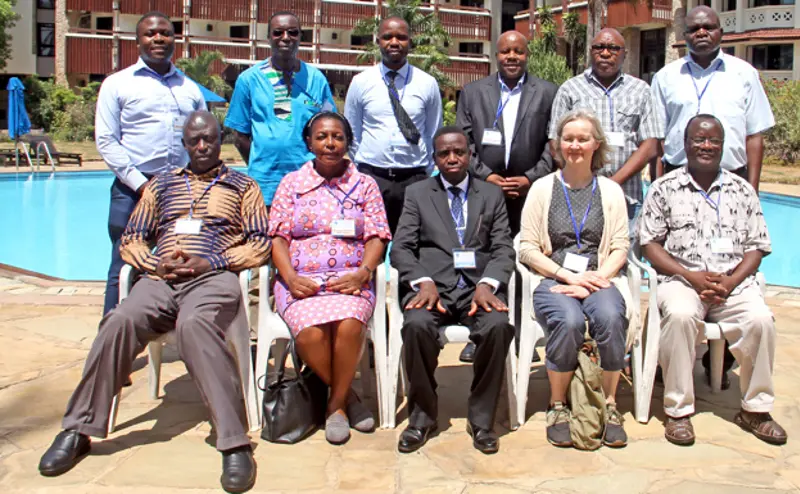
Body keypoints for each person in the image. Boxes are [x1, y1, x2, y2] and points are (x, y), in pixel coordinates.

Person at [38, 112, 270, 493]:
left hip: (213, 278)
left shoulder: (243, 186)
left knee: (194, 325)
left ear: (220, 140)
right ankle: (79, 429)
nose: (201, 146)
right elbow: (132, 238)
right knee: (119, 320)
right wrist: (153, 262)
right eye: (194, 140)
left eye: (208, 139)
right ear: (183, 143)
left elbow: (260, 243)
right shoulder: (160, 186)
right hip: (161, 279)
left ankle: (234, 441)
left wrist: (210, 261)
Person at [639, 114, 786, 447]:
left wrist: (732, 282)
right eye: (698, 139)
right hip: (682, 279)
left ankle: (755, 410)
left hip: (731, 285)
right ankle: (678, 411)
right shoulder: (665, 188)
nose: (706, 146)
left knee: (761, 319)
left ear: (723, 146)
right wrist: (690, 275)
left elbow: (757, 246)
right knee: (678, 315)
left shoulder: (742, 190)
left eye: (713, 141)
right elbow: (649, 244)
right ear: (685, 143)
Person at [650, 5, 774, 385]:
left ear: (721, 32)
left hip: (731, 179)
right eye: (694, 29)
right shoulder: (666, 77)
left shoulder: (744, 74)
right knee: (682, 274)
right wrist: (659, 185)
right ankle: (676, 361)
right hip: (676, 175)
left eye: (709, 27)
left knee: (729, 266)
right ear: (683, 36)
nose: (702, 33)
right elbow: (657, 138)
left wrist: (749, 189)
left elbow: (755, 136)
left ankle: (718, 364)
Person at [268, 112, 392, 445]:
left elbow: (378, 235)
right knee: (310, 334)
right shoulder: (291, 184)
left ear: (347, 142)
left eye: (337, 137)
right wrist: (290, 278)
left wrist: (363, 272)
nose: (330, 143)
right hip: (301, 281)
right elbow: (278, 237)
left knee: (350, 325)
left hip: (350, 279)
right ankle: (348, 395)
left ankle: (334, 407)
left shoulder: (364, 184)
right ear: (309, 142)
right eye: (322, 137)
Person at [390, 126, 515, 455]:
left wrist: (488, 284)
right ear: (434, 158)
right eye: (444, 153)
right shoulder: (418, 194)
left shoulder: (490, 195)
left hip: (478, 291)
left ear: (470, 155)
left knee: (499, 327)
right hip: (432, 289)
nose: (452, 158)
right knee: (415, 326)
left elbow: (503, 248)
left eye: (458, 151)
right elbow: (401, 248)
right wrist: (422, 280)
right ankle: (421, 417)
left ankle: (482, 419)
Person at [519, 109, 633, 449]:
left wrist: (597, 277)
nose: (575, 145)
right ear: (557, 145)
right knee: (568, 321)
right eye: (568, 138)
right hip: (554, 279)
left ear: (595, 144)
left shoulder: (611, 190)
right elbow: (526, 248)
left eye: (583, 138)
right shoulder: (542, 189)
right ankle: (558, 405)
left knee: (612, 318)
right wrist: (567, 275)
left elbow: (620, 246)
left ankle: (610, 405)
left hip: (598, 278)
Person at [455, 29, 557, 363]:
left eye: (518, 52)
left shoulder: (546, 93)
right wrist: (487, 176)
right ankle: (478, 332)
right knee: (481, 256)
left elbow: (550, 145)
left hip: (529, 193)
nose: (512, 57)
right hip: (484, 191)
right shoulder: (473, 93)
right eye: (505, 52)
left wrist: (530, 178)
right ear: (495, 56)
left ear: (527, 55)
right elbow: (464, 142)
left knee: (524, 259)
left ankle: (521, 331)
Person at [95, 10, 206, 316]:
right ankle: (112, 336)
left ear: (175, 40)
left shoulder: (190, 88)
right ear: (138, 41)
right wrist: (142, 185)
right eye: (150, 33)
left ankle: (175, 327)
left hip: (180, 189)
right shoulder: (117, 84)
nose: (158, 38)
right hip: (133, 189)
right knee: (124, 263)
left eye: (165, 33)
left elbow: (203, 138)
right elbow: (106, 140)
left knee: (183, 258)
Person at [549, 28, 662, 232]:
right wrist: (585, 180)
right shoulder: (569, 89)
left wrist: (613, 183)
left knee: (625, 257)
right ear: (591, 52)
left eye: (613, 48)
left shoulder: (641, 90)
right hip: (579, 193)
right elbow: (555, 142)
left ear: (624, 54)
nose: (606, 53)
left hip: (626, 195)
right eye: (599, 47)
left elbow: (651, 145)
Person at [225, 10, 336, 206]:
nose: (286, 38)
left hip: (309, 183)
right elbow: (239, 135)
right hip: (264, 185)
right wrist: (263, 161)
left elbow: (330, 128)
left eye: (293, 32)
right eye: (278, 33)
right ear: (268, 37)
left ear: (301, 37)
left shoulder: (316, 79)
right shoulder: (249, 80)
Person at [344, 16, 442, 234]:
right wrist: (365, 166)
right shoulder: (361, 82)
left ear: (410, 42)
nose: (394, 42)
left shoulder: (427, 83)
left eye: (401, 37)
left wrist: (424, 169)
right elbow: (351, 133)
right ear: (378, 41)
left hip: (415, 178)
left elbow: (433, 132)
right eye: (388, 37)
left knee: (412, 242)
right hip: (373, 178)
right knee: (371, 240)